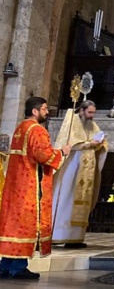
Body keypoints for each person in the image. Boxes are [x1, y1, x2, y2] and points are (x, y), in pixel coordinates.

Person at [0, 97, 71, 280]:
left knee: (13, 226)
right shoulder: (37, 130)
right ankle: (18, 268)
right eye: (45, 109)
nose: (47, 112)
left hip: (15, 185)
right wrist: (62, 152)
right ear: (35, 111)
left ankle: (5, 266)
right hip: (30, 186)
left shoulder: (20, 128)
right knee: (27, 225)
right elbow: (43, 155)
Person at [52, 100, 108, 247]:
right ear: (81, 110)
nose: (91, 116)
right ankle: (57, 236)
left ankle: (74, 238)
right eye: (89, 112)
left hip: (85, 171)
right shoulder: (71, 121)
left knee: (81, 201)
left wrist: (100, 144)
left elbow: (98, 139)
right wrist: (88, 144)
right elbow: (69, 145)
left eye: (93, 113)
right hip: (70, 170)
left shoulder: (91, 124)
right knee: (66, 199)